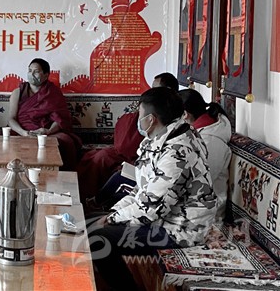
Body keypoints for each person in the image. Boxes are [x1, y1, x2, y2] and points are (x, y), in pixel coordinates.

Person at [89, 87, 216, 291]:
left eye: (139, 115)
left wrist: (111, 219)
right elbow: (142, 190)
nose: (137, 120)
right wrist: (113, 213)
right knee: (91, 221)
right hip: (164, 218)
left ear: (151, 119)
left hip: (181, 230)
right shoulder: (165, 137)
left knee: (98, 239)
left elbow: (149, 210)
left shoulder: (177, 152)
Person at [77, 72, 179, 200]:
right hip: (132, 154)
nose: (151, 92)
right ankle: (88, 198)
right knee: (98, 158)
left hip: (139, 160)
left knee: (111, 168)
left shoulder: (172, 126)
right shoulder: (150, 109)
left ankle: (95, 202)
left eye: (155, 88)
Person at [7, 58, 82, 170]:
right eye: (29, 70)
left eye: (36, 71)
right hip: (22, 131)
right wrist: (24, 133)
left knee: (66, 141)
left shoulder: (53, 93)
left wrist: (48, 131)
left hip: (46, 133)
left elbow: (60, 119)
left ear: (46, 75)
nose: (31, 74)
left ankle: (62, 176)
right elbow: (11, 119)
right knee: (3, 141)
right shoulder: (18, 92)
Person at [179, 89, 232, 221]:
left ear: (185, 115)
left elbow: (202, 182)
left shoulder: (211, 141)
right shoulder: (195, 133)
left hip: (203, 213)